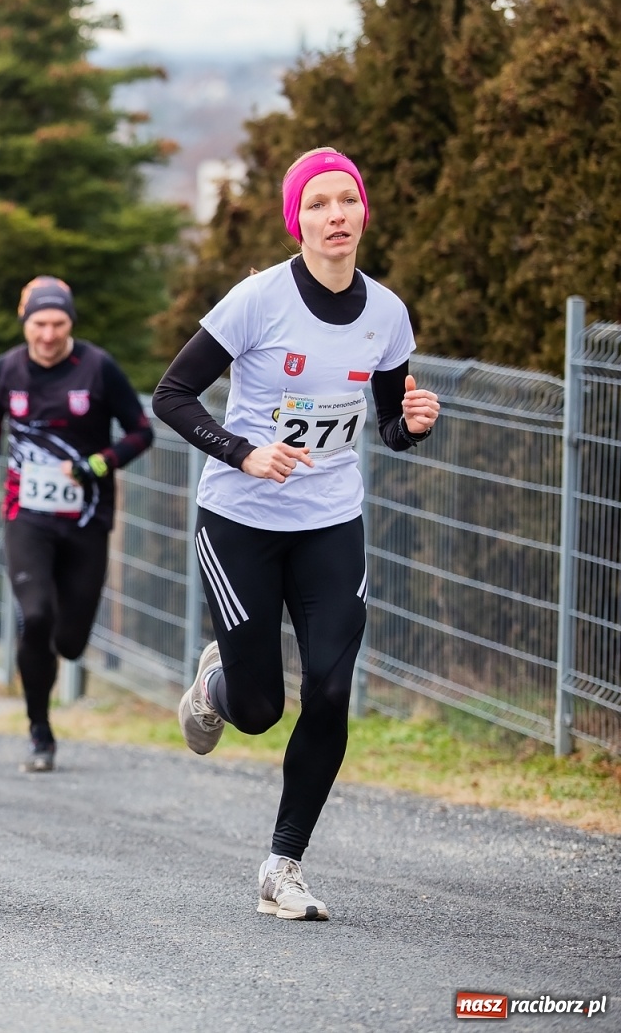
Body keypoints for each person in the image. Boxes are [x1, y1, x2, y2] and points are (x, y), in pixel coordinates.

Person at [152, 147, 441, 921]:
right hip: (241, 520)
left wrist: (409, 426)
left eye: (346, 200)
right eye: (318, 204)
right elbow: (172, 396)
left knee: (333, 688)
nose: (335, 216)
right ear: (298, 221)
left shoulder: (387, 314)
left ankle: (283, 866)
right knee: (257, 710)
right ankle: (217, 684)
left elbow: (384, 419)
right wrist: (244, 452)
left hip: (329, 522)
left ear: (363, 213)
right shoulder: (258, 300)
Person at [0, 277, 153, 771]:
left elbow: (142, 432)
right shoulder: (6, 370)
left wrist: (100, 463)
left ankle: (50, 651)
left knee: (69, 641)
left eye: (58, 324)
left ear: (70, 323)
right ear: (25, 322)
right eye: (39, 323)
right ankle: (39, 731)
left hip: (86, 519)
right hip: (26, 516)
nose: (48, 334)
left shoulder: (97, 367)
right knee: (35, 618)